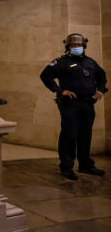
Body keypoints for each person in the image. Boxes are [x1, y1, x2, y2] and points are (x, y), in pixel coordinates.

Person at [40, 33, 107, 180]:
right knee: (69, 134)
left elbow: (102, 76)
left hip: (88, 103)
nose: (76, 47)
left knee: (85, 134)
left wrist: (101, 89)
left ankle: (85, 165)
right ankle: (66, 166)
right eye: (73, 45)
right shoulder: (61, 62)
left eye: (79, 45)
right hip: (70, 104)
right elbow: (45, 76)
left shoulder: (90, 62)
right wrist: (60, 91)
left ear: (84, 46)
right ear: (68, 47)